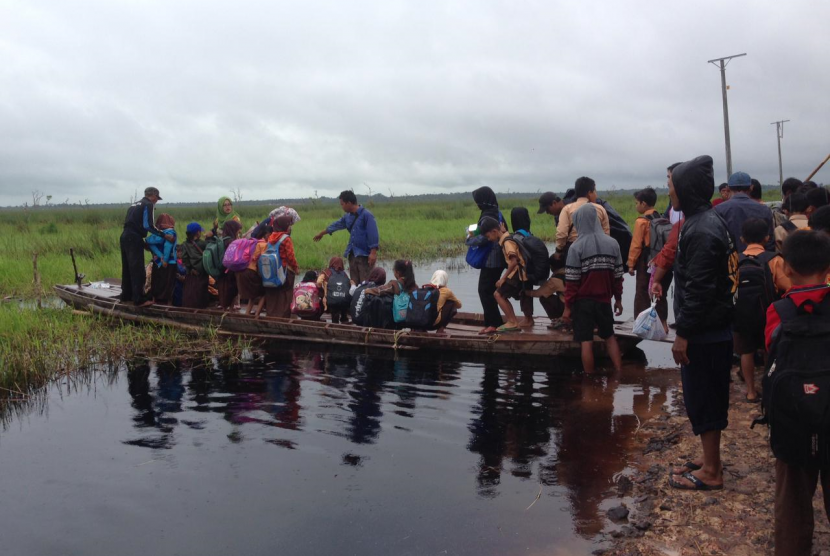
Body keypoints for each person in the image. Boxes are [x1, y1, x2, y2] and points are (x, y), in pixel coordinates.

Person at [666, 155, 736, 492]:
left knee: (705, 398)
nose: (670, 193)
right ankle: (710, 459)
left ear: (686, 189)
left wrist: (684, 334)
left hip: (706, 332)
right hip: (710, 328)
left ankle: (712, 472)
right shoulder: (702, 220)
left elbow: (699, 289)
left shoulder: (703, 228)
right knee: (703, 397)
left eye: (672, 186)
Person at [764, 231, 830, 556]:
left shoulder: (778, 310)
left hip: (792, 422)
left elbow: (770, 354)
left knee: (791, 505)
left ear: (786, 268)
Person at [561, 203, 624, 374]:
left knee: (586, 341)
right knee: (610, 337)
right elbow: (618, 276)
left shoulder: (576, 247)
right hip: (604, 300)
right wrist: (618, 299)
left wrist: (567, 308)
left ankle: (589, 382)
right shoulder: (613, 244)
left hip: (583, 303)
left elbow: (572, 283)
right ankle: (619, 373)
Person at [733, 218, 790, 403]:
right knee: (769, 350)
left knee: (746, 351)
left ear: (742, 239)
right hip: (769, 314)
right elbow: (787, 286)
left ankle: (750, 391)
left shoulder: (735, 260)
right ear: (767, 238)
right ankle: (769, 386)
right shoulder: (774, 259)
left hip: (741, 315)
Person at [313, 190, 379, 285]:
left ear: (349, 203)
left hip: (364, 255)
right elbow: (336, 225)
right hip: (352, 254)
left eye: (342, 204)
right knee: (354, 283)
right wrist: (322, 233)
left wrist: (373, 253)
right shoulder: (347, 217)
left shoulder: (367, 215)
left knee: (366, 283)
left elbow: (373, 234)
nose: (342, 207)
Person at [479, 217, 532, 333]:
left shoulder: (506, 242)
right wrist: (502, 230)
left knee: (497, 294)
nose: (489, 239)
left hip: (517, 274)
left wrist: (503, 278)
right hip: (518, 273)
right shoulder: (505, 236)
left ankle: (512, 322)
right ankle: (512, 321)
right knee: (501, 295)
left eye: (488, 236)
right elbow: (503, 233)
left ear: (494, 231)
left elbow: (514, 261)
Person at [119, 186, 169, 307]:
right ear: (153, 196)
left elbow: (132, 223)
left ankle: (126, 295)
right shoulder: (148, 204)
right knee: (137, 269)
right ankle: (139, 299)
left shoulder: (134, 204)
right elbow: (148, 225)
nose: (156, 201)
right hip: (134, 237)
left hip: (125, 235)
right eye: (157, 198)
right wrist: (163, 235)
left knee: (127, 268)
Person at [628, 187, 671, 328]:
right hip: (661, 262)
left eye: (636, 203)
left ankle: (641, 324)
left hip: (645, 263)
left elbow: (636, 246)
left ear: (644, 204)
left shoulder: (641, 221)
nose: (636, 206)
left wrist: (630, 264)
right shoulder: (661, 218)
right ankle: (663, 324)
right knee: (660, 293)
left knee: (641, 292)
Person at [466, 186, 506, 334]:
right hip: (499, 259)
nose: (477, 204)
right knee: (489, 290)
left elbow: (483, 238)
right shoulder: (497, 212)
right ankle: (493, 322)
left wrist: (469, 239)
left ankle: (493, 324)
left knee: (485, 291)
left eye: (478, 201)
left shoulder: (488, 216)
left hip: (491, 260)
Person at [714, 171, 775, 253]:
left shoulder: (718, 210)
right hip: (758, 261)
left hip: (730, 262)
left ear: (728, 188)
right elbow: (769, 241)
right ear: (751, 187)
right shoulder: (764, 209)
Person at [555, 177, 610, 257]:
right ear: (589, 193)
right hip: (596, 249)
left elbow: (562, 233)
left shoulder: (567, 209)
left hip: (573, 248)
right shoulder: (600, 209)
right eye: (595, 191)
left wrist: (558, 250)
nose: (596, 194)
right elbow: (606, 234)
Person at [263, 215, 300, 319]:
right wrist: (296, 268)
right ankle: (283, 316)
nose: (290, 227)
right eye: (289, 224)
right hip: (284, 270)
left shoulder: (271, 237)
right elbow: (290, 256)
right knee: (286, 293)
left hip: (272, 270)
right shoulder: (286, 238)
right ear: (284, 225)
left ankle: (271, 315)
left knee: (273, 293)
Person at [364, 260, 418, 326]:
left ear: (397, 273)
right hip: (410, 318)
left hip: (398, 318)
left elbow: (380, 291)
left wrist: (367, 290)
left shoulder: (395, 284)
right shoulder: (414, 286)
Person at [146, 213, 178, 305]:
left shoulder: (156, 234)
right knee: (169, 283)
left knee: (157, 281)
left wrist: (160, 256)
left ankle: (155, 300)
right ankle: (169, 303)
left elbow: (150, 243)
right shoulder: (171, 232)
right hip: (169, 262)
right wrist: (165, 259)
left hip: (158, 262)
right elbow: (168, 246)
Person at [317, 256, 354, 324]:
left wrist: (322, 292)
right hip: (344, 300)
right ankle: (344, 318)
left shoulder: (326, 272)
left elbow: (319, 282)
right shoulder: (344, 274)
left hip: (330, 300)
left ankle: (335, 322)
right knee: (343, 301)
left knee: (333, 306)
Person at [237, 237, 268, 316]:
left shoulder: (250, 243)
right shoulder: (263, 244)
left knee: (253, 294)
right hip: (251, 271)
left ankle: (247, 312)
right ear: (267, 234)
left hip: (241, 270)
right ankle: (257, 314)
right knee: (263, 293)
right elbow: (265, 259)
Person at [181, 222, 210, 309]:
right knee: (201, 290)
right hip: (202, 271)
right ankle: (201, 308)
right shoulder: (203, 244)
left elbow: (184, 258)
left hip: (191, 272)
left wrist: (190, 269)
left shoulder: (185, 244)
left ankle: (188, 307)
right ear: (198, 233)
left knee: (190, 290)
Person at [215, 220, 242, 310]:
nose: (239, 232)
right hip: (230, 269)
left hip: (222, 269)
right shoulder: (231, 241)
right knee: (232, 289)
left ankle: (225, 308)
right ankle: (230, 309)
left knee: (224, 289)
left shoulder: (223, 239)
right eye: (238, 230)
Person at [429, 270, 462, 334]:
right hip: (434, 323)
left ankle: (420, 329)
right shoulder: (446, 291)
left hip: (422, 322)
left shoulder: (425, 288)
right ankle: (440, 330)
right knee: (452, 303)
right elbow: (459, 305)